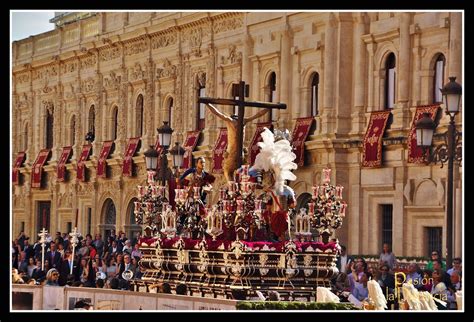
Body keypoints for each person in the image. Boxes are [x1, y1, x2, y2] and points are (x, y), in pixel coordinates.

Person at [204, 103, 269, 182]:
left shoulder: (231, 121)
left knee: (227, 171)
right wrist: (268, 108)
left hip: (231, 153)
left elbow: (217, 113)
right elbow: (258, 114)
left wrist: (207, 104)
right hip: (241, 153)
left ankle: (232, 187)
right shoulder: (244, 121)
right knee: (242, 173)